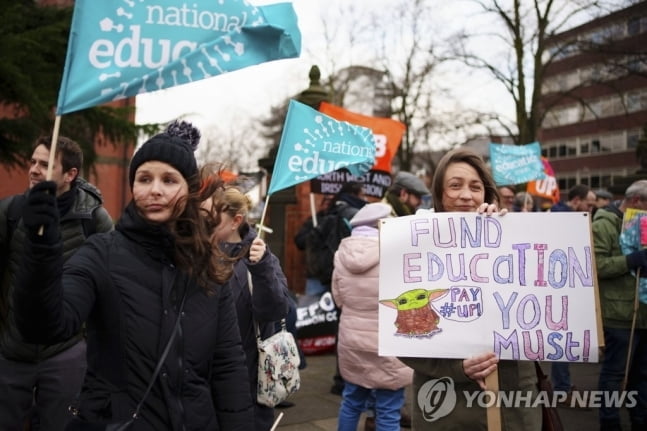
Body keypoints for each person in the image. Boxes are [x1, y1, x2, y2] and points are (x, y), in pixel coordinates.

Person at [12, 121, 253, 429]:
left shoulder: (205, 264)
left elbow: (228, 366)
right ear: (133, 186)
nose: (155, 190)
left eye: (168, 180)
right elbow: (43, 325)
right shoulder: (101, 253)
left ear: (189, 190)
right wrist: (40, 250)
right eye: (144, 178)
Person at [399, 148, 541, 430]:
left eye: (475, 187)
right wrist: (457, 369)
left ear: (486, 195)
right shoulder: (411, 247)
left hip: (512, 404)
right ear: (439, 194)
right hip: (447, 405)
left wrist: (503, 235)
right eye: (455, 185)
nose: (466, 195)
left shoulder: (510, 237)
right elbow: (401, 336)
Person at [0, 135, 113, 430]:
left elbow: (110, 288)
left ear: (70, 174)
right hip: (11, 352)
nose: (34, 169)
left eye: (46, 164)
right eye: (33, 161)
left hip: (68, 354)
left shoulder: (95, 220)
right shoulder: (10, 213)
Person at [203, 184, 291, 430]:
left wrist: (261, 269)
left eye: (212, 218)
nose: (204, 224)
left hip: (248, 379)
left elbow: (276, 310)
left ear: (235, 221)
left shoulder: (261, 256)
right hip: (202, 379)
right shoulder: (196, 253)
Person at [332, 202, 413, 431]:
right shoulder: (394, 252)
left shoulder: (341, 254)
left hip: (352, 338)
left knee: (351, 402)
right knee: (388, 409)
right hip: (386, 339)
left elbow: (339, 297)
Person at [593, 180, 647, 431]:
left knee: (642, 375)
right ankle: (610, 422)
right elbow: (596, 266)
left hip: (643, 312)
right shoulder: (604, 224)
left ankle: (640, 419)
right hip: (618, 314)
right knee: (614, 374)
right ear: (637, 202)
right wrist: (630, 260)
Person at [549, 183, 596, 400]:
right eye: (589, 204)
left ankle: (563, 384)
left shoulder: (570, 217)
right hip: (556, 285)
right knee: (560, 336)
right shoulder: (562, 219)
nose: (591, 209)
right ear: (576, 201)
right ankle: (562, 388)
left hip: (564, 283)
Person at [294, 182, 367, 296]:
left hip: (335, 273)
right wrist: (316, 233)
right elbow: (299, 241)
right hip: (316, 275)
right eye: (326, 200)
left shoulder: (341, 218)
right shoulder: (315, 220)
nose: (328, 204)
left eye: (331, 201)